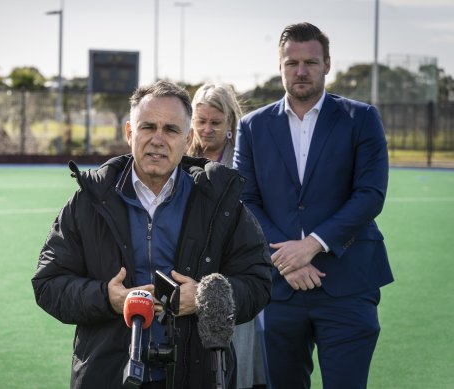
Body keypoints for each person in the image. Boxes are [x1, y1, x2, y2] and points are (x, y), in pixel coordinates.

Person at [32, 80, 272, 389]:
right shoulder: (88, 201)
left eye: (171, 130)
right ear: (130, 133)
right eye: (148, 127)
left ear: (188, 140)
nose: (158, 139)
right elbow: (48, 284)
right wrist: (108, 298)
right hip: (108, 375)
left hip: (198, 374)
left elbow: (258, 281)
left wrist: (206, 298)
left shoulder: (220, 204)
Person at [233, 22, 393, 389]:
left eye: (310, 62)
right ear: (280, 66)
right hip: (280, 287)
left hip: (348, 284)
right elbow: (245, 200)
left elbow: (371, 194)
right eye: (292, 63)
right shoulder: (252, 126)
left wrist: (311, 245)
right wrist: (285, 259)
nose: (301, 71)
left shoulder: (361, 118)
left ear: (327, 65)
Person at [187, 83, 266, 389]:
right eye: (201, 121)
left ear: (231, 123)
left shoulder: (243, 162)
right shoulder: (180, 155)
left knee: (237, 358)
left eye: (216, 122)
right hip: (191, 269)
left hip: (232, 269)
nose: (207, 129)